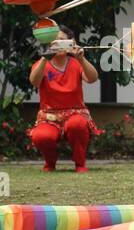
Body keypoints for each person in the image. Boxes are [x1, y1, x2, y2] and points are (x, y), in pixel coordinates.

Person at [28, 26, 99, 172]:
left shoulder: (76, 63)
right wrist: (44, 58)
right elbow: (34, 81)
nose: (58, 43)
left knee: (77, 124)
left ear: (70, 43)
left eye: (61, 40)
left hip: (75, 114)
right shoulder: (41, 64)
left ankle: (80, 164)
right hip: (49, 116)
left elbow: (92, 78)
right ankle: (50, 163)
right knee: (41, 136)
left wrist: (82, 58)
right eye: (54, 40)